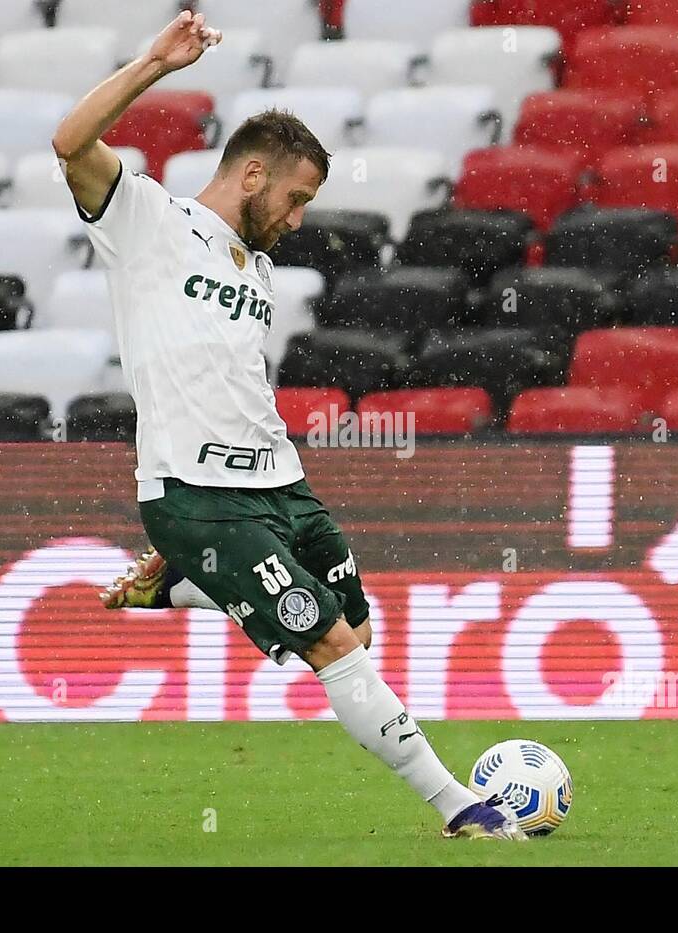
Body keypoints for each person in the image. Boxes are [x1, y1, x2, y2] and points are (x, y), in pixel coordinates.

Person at [52, 10, 524, 840]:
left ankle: (186, 584)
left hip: (280, 483)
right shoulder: (148, 224)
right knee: (334, 648)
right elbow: (69, 141)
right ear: (253, 173)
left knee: (360, 629)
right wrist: (154, 65)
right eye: (297, 198)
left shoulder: (255, 267)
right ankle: (462, 808)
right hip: (198, 497)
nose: (300, 217)